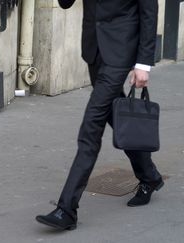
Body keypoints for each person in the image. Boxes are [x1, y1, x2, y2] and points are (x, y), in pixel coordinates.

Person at [35, 0, 163, 230]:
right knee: (114, 113)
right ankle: (150, 175)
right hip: (94, 47)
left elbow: (149, 12)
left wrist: (144, 63)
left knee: (90, 126)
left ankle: (67, 209)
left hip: (121, 49)